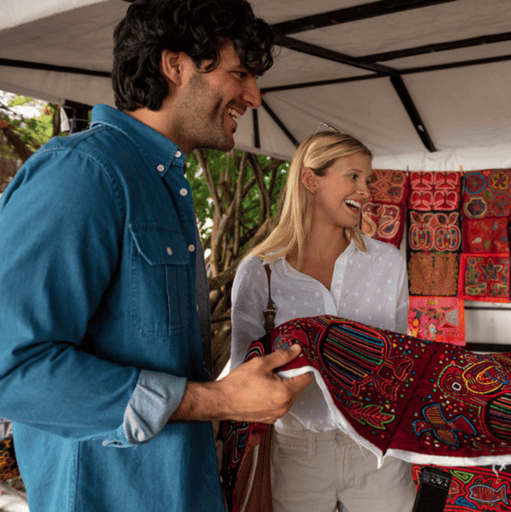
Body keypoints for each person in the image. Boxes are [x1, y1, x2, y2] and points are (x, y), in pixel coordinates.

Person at [0, 1, 311, 511]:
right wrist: (220, 401)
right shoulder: (84, 173)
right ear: (175, 65)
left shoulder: (163, 185)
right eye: (240, 74)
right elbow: (10, 370)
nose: (253, 97)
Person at [230, 131, 416, 512]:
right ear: (310, 179)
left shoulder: (388, 263)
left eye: (368, 180)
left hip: (378, 448)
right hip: (297, 451)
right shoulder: (261, 272)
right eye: (353, 176)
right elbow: (242, 381)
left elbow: (400, 360)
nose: (365, 191)